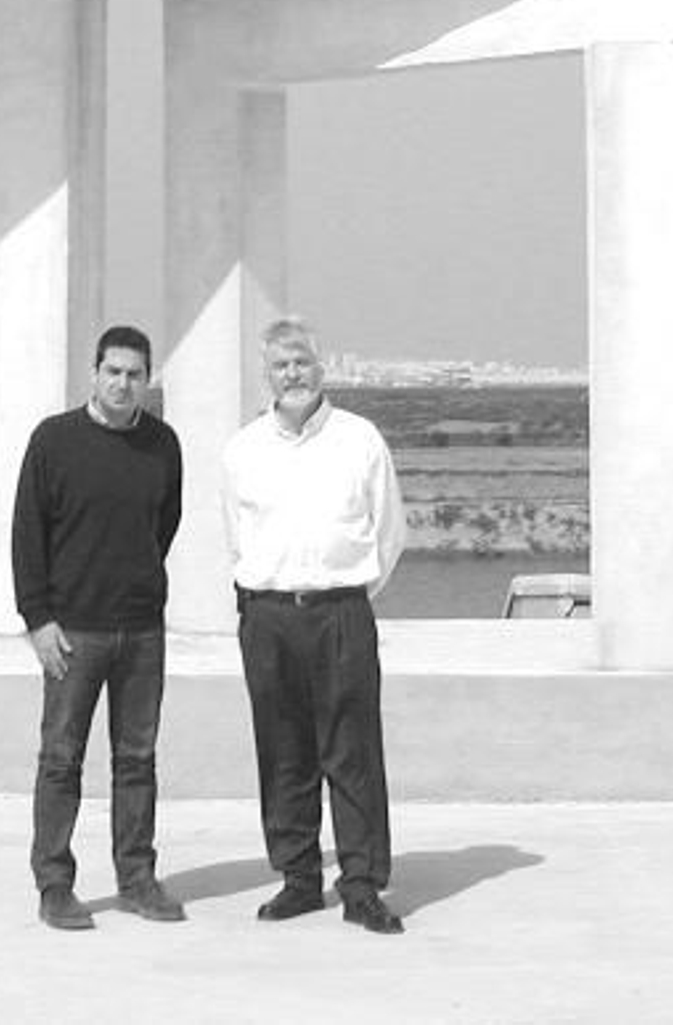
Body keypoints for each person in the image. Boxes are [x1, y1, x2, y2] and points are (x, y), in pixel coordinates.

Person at [222, 315, 408, 935]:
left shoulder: (360, 440)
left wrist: (342, 592)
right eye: (281, 365)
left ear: (321, 368)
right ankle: (298, 877)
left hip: (340, 615)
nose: (293, 374)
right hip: (268, 616)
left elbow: (389, 534)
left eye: (302, 362)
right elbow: (235, 536)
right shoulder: (243, 448)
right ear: (266, 375)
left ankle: (361, 885)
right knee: (283, 753)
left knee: (352, 752)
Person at [11, 323, 187, 931]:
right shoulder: (54, 440)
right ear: (95, 373)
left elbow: (165, 524)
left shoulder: (162, 443)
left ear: (147, 380)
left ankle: (137, 879)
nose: (123, 383)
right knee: (61, 759)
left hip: (141, 630)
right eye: (113, 371)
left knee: (136, 759)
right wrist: (38, 619)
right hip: (73, 632)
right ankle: (55, 884)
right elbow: (27, 534)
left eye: (135, 374)